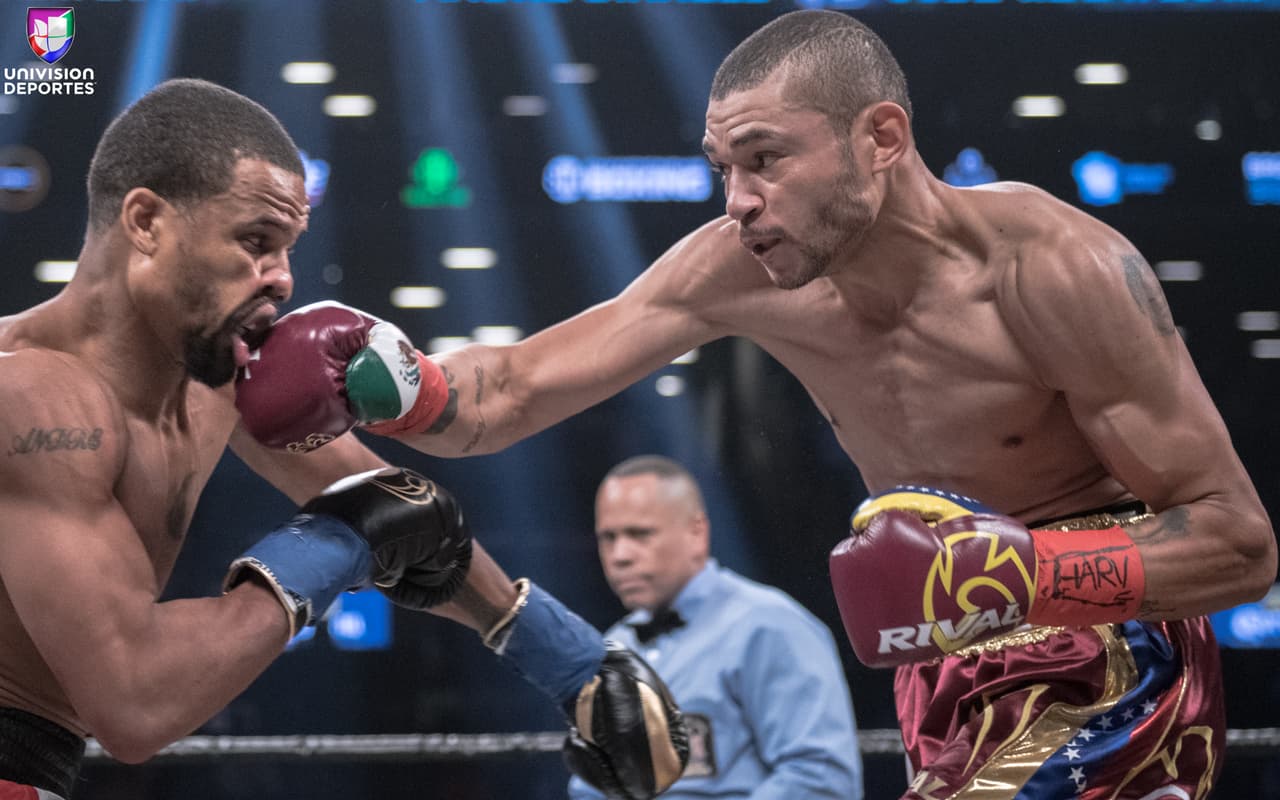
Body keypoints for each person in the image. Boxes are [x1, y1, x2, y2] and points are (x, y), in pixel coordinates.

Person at [242, 10, 1277, 799]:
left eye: (765, 159)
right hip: (936, 648)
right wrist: (395, 380)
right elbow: (507, 391)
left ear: (879, 136)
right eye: (721, 167)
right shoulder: (734, 266)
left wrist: (1014, 574)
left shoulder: (1054, 271)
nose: (736, 199)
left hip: (1106, 643)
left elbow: (1238, 544)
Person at [0, 78, 685, 800]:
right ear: (146, 221)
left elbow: (401, 513)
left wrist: (572, 663)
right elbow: (135, 705)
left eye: (288, 248)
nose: (283, 279)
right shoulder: (31, 399)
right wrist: (334, 548)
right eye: (256, 241)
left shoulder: (216, 381)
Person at [566, 455, 862, 800]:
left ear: (696, 532)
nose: (620, 555)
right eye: (608, 538)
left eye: (639, 534)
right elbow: (592, 787)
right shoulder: (613, 647)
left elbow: (821, 780)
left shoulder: (769, 626)